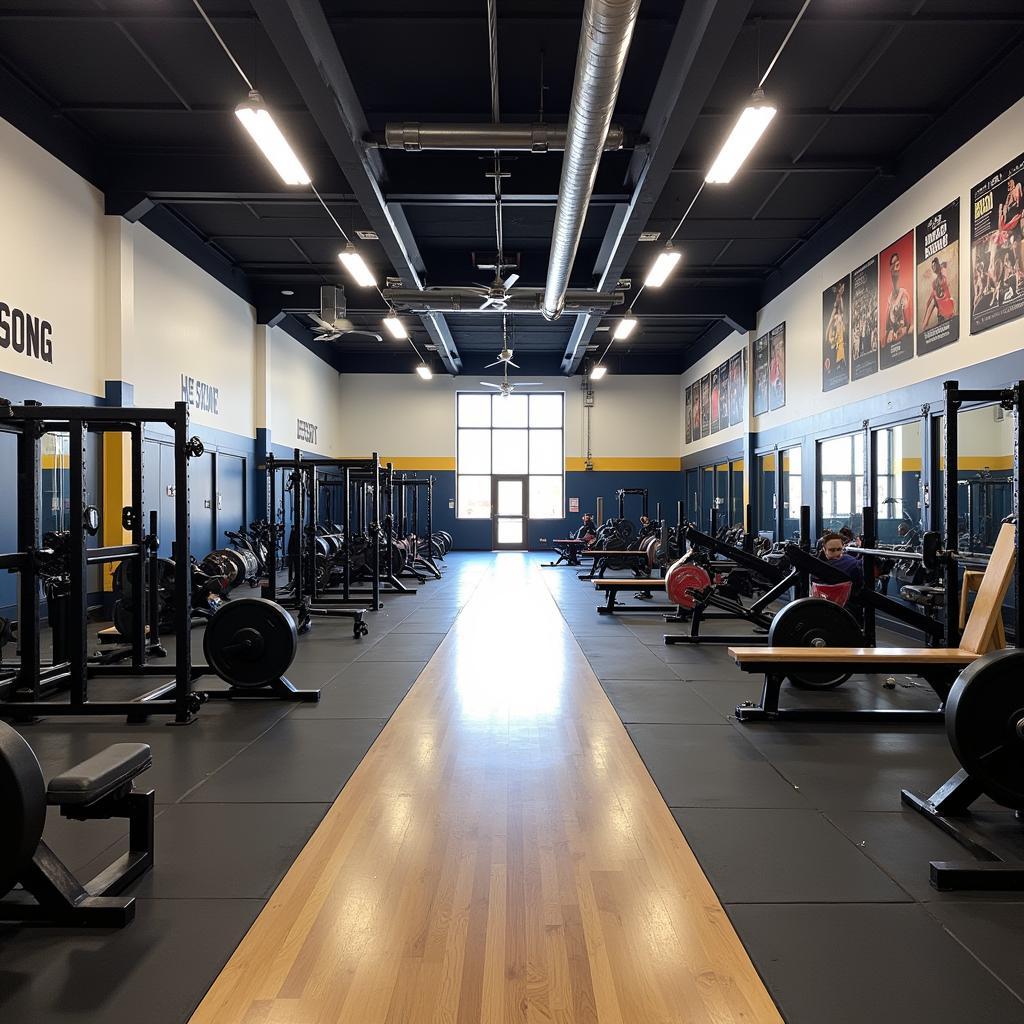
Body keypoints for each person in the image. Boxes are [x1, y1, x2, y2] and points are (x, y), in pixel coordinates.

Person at [884, 250, 910, 345]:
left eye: (897, 264)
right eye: (892, 265)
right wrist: (890, 334)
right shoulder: (890, 298)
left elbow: (909, 326)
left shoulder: (904, 294)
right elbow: (886, 330)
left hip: (903, 344)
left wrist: (902, 332)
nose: (895, 268)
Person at [921, 256, 955, 329]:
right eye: (932, 266)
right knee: (933, 302)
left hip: (949, 312)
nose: (933, 267)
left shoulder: (944, 276)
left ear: (938, 265)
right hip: (941, 315)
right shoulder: (934, 283)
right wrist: (928, 302)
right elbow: (933, 294)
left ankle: (925, 324)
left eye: (934, 265)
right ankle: (924, 324)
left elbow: (945, 265)